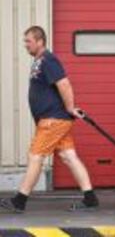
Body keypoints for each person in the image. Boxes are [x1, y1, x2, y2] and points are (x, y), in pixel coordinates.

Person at [0, 25, 99, 213]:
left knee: (35, 156)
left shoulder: (48, 60)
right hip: (55, 119)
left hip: (53, 119)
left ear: (40, 41)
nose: (25, 45)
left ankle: (19, 200)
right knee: (68, 157)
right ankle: (90, 198)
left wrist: (70, 108)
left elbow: (65, 85)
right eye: (25, 41)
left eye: (28, 41)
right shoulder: (39, 61)